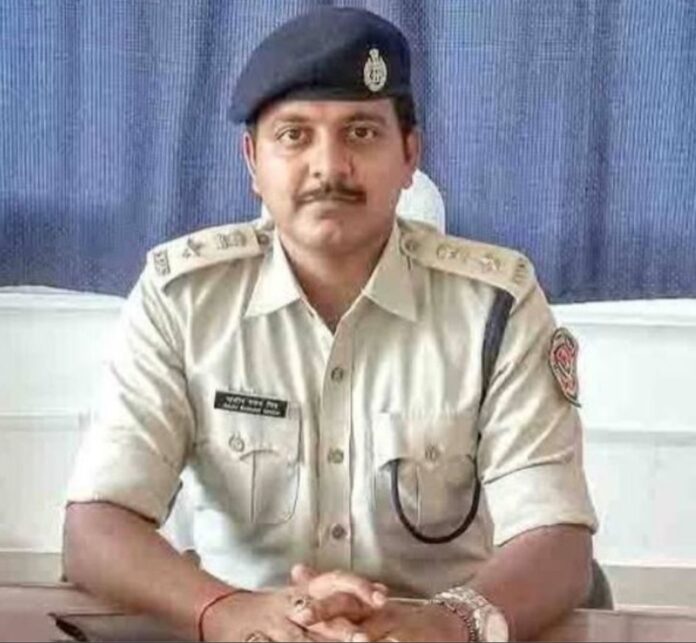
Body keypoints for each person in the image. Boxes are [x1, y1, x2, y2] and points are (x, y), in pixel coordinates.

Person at [63, 7, 598, 642]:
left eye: (361, 133)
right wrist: (226, 611)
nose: (330, 166)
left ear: (410, 154)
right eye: (294, 135)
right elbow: (94, 529)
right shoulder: (182, 298)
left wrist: (447, 623)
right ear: (252, 161)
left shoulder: (495, 305)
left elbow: (558, 540)